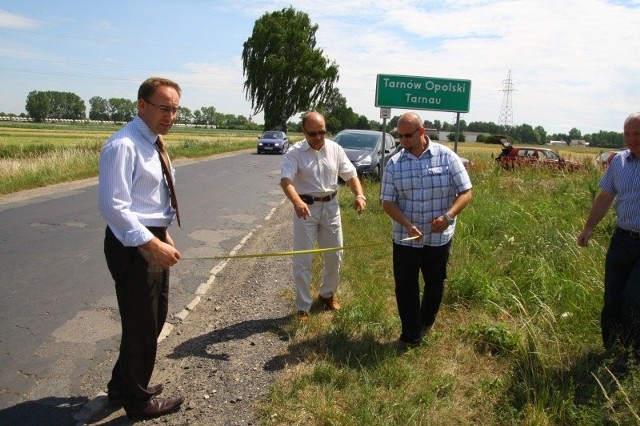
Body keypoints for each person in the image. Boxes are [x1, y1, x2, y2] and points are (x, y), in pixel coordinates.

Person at [98, 77, 184, 419]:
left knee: (151, 319)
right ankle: (138, 401)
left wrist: (164, 233)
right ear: (142, 105)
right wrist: (151, 243)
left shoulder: (153, 141)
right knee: (143, 325)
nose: (171, 115)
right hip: (133, 242)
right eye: (164, 107)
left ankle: (123, 385)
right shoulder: (123, 146)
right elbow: (113, 207)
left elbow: (151, 196)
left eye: (175, 108)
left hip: (151, 236)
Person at [381, 112, 472, 346]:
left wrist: (449, 216)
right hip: (406, 238)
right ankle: (410, 335)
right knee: (406, 286)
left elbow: (466, 191)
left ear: (422, 132)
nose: (403, 140)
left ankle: (425, 321)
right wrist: (407, 224)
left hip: (438, 238)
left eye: (407, 135)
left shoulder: (447, 157)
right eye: (399, 136)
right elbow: (387, 202)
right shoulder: (394, 164)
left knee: (435, 282)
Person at [280, 111, 367, 320]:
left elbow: (350, 174)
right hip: (305, 210)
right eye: (313, 133)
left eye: (322, 132)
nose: (318, 137)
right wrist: (297, 202)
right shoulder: (295, 153)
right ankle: (303, 305)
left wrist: (360, 195)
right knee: (303, 258)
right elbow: (286, 181)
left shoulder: (335, 149)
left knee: (335, 255)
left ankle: (327, 295)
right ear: (303, 132)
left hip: (331, 208)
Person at [577, 112, 640, 353]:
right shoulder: (619, 162)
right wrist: (588, 227)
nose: (632, 140)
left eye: (637, 134)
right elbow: (605, 198)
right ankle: (612, 350)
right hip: (623, 239)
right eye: (627, 134)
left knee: (635, 299)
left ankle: (632, 354)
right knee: (613, 296)